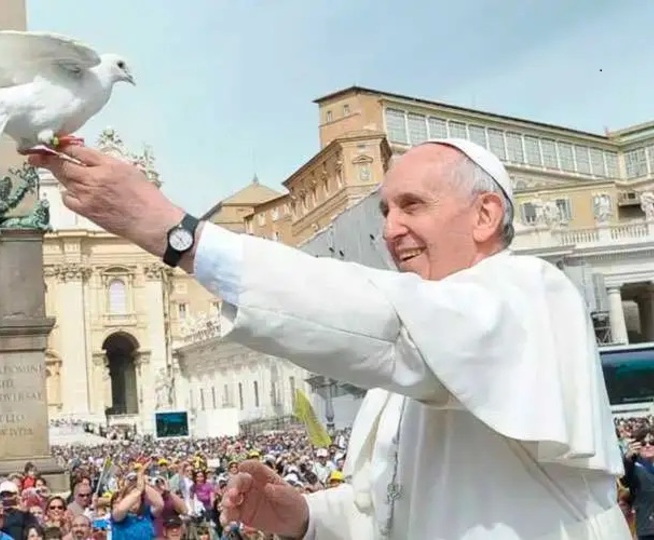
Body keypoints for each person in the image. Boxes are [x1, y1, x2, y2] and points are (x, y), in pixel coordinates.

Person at [31, 138, 631, 539]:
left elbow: (387, 320)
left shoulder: (531, 292)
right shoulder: (402, 381)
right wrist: (305, 515)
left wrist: (177, 234)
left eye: (412, 206)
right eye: (385, 211)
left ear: (485, 216)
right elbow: (383, 508)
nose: (391, 229)